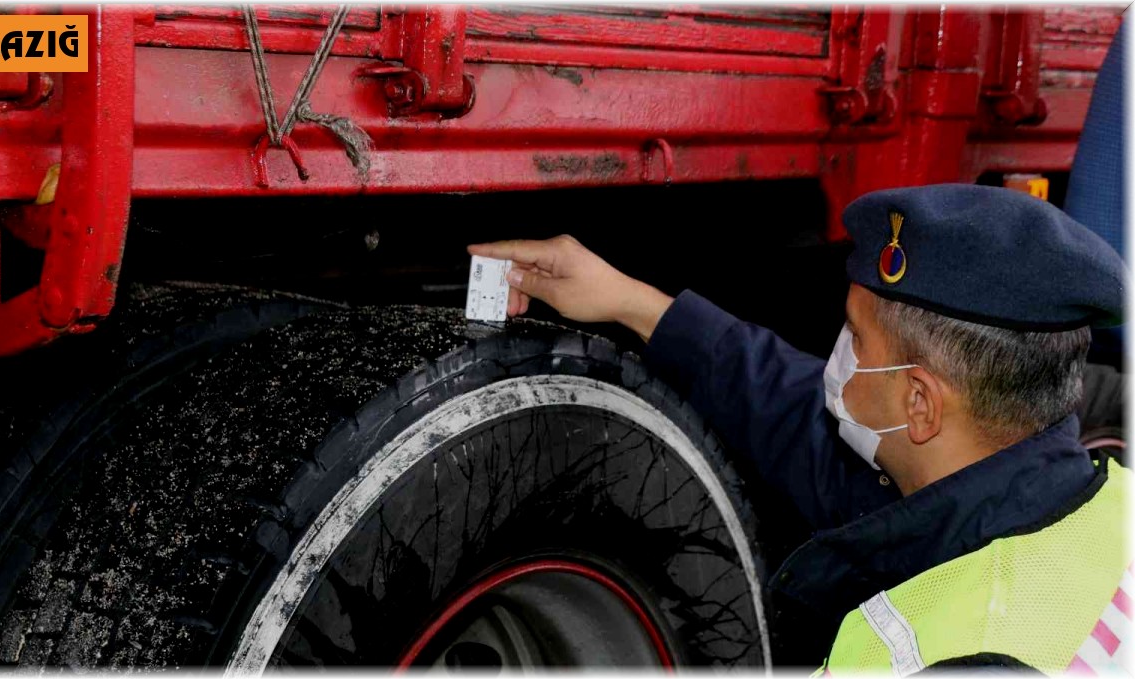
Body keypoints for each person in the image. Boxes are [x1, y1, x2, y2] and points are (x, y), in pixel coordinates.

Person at [468, 184, 1130, 673]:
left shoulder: (971, 658)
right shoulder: (1090, 501)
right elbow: (791, 412)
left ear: (922, 405)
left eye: (856, 337)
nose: (837, 354)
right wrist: (628, 301)